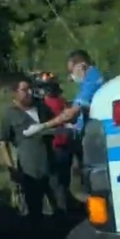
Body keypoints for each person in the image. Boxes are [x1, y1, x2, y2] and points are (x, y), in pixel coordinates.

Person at [0, 77, 57, 221]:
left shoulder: (42, 107)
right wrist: (10, 167)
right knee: (34, 206)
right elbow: (3, 142)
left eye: (30, 89)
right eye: (24, 90)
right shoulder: (10, 114)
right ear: (15, 93)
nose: (29, 92)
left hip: (50, 162)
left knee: (59, 202)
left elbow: (56, 124)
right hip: (29, 168)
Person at [40, 81, 75, 212]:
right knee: (64, 177)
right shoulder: (61, 101)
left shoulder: (44, 104)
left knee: (58, 178)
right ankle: (65, 203)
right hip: (64, 142)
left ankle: (62, 206)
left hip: (56, 144)